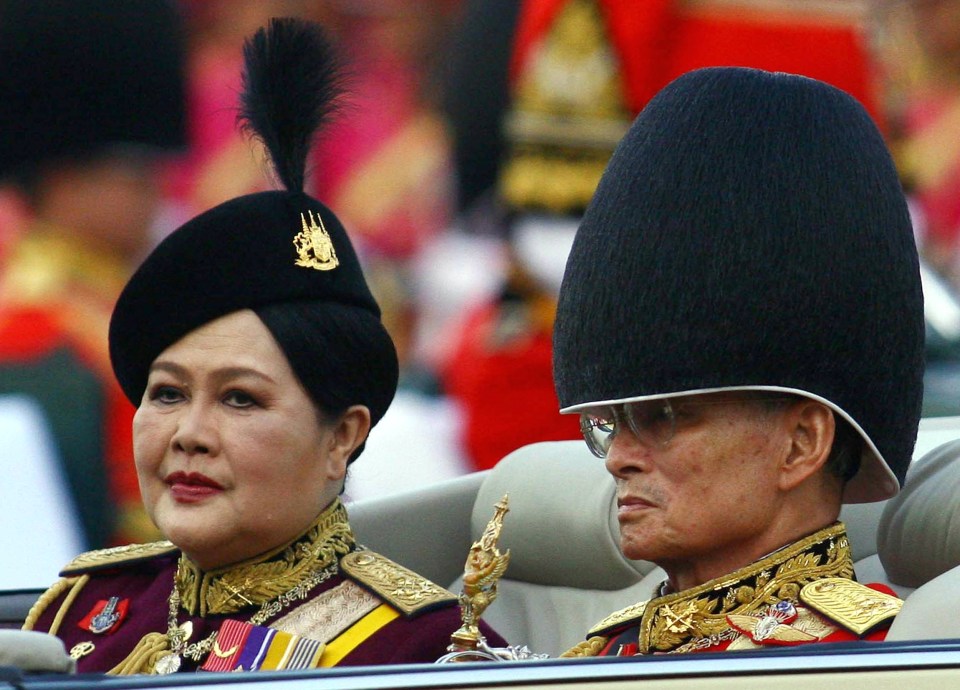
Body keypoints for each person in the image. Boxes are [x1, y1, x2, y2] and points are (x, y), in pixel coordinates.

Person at [22, 18, 504, 674]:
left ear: (342, 437)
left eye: (240, 399)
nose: (189, 434)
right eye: (166, 393)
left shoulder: (423, 652)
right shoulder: (82, 610)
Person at [551, 66, 925, 657]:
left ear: (800, 443)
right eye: (611, 423)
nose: (618, 457)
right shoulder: (606, 651)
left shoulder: (857, 661)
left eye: (664, 417)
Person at [0, 0, 188, 548]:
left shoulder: (116, 297)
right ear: (61, 177)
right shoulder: (29, 325)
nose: (154, 189)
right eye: (132, 170)